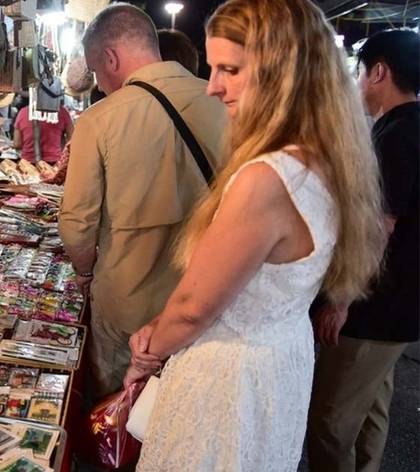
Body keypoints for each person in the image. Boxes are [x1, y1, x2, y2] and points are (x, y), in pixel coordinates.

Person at [124, 1, 388, 470]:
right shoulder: (326, 160)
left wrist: (147, 353)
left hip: (230, 377)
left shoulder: (268, 177)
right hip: (278, 362)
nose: (213, 86)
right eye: (213, 67)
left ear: (282, 71)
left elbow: (192, 308)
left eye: (230, 69)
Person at [58, 3, 226, 401]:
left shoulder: (100, 120)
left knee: (117, 410)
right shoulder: (226, 107)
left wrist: (84, 274)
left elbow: (76, 223)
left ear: (111, 57)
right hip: (206, 300)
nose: (99, 84)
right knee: (182, 408)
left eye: (98, 71)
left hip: (126, 305)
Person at [307, 29, 420, 472]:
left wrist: (340, 300)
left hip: (373, 308)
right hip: (398, 309)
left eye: (359, 72)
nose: (355, 84)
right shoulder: (407, 127)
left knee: (331, 420)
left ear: (378, 72)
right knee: (371, 409)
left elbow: (379, 228)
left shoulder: (396, 136)